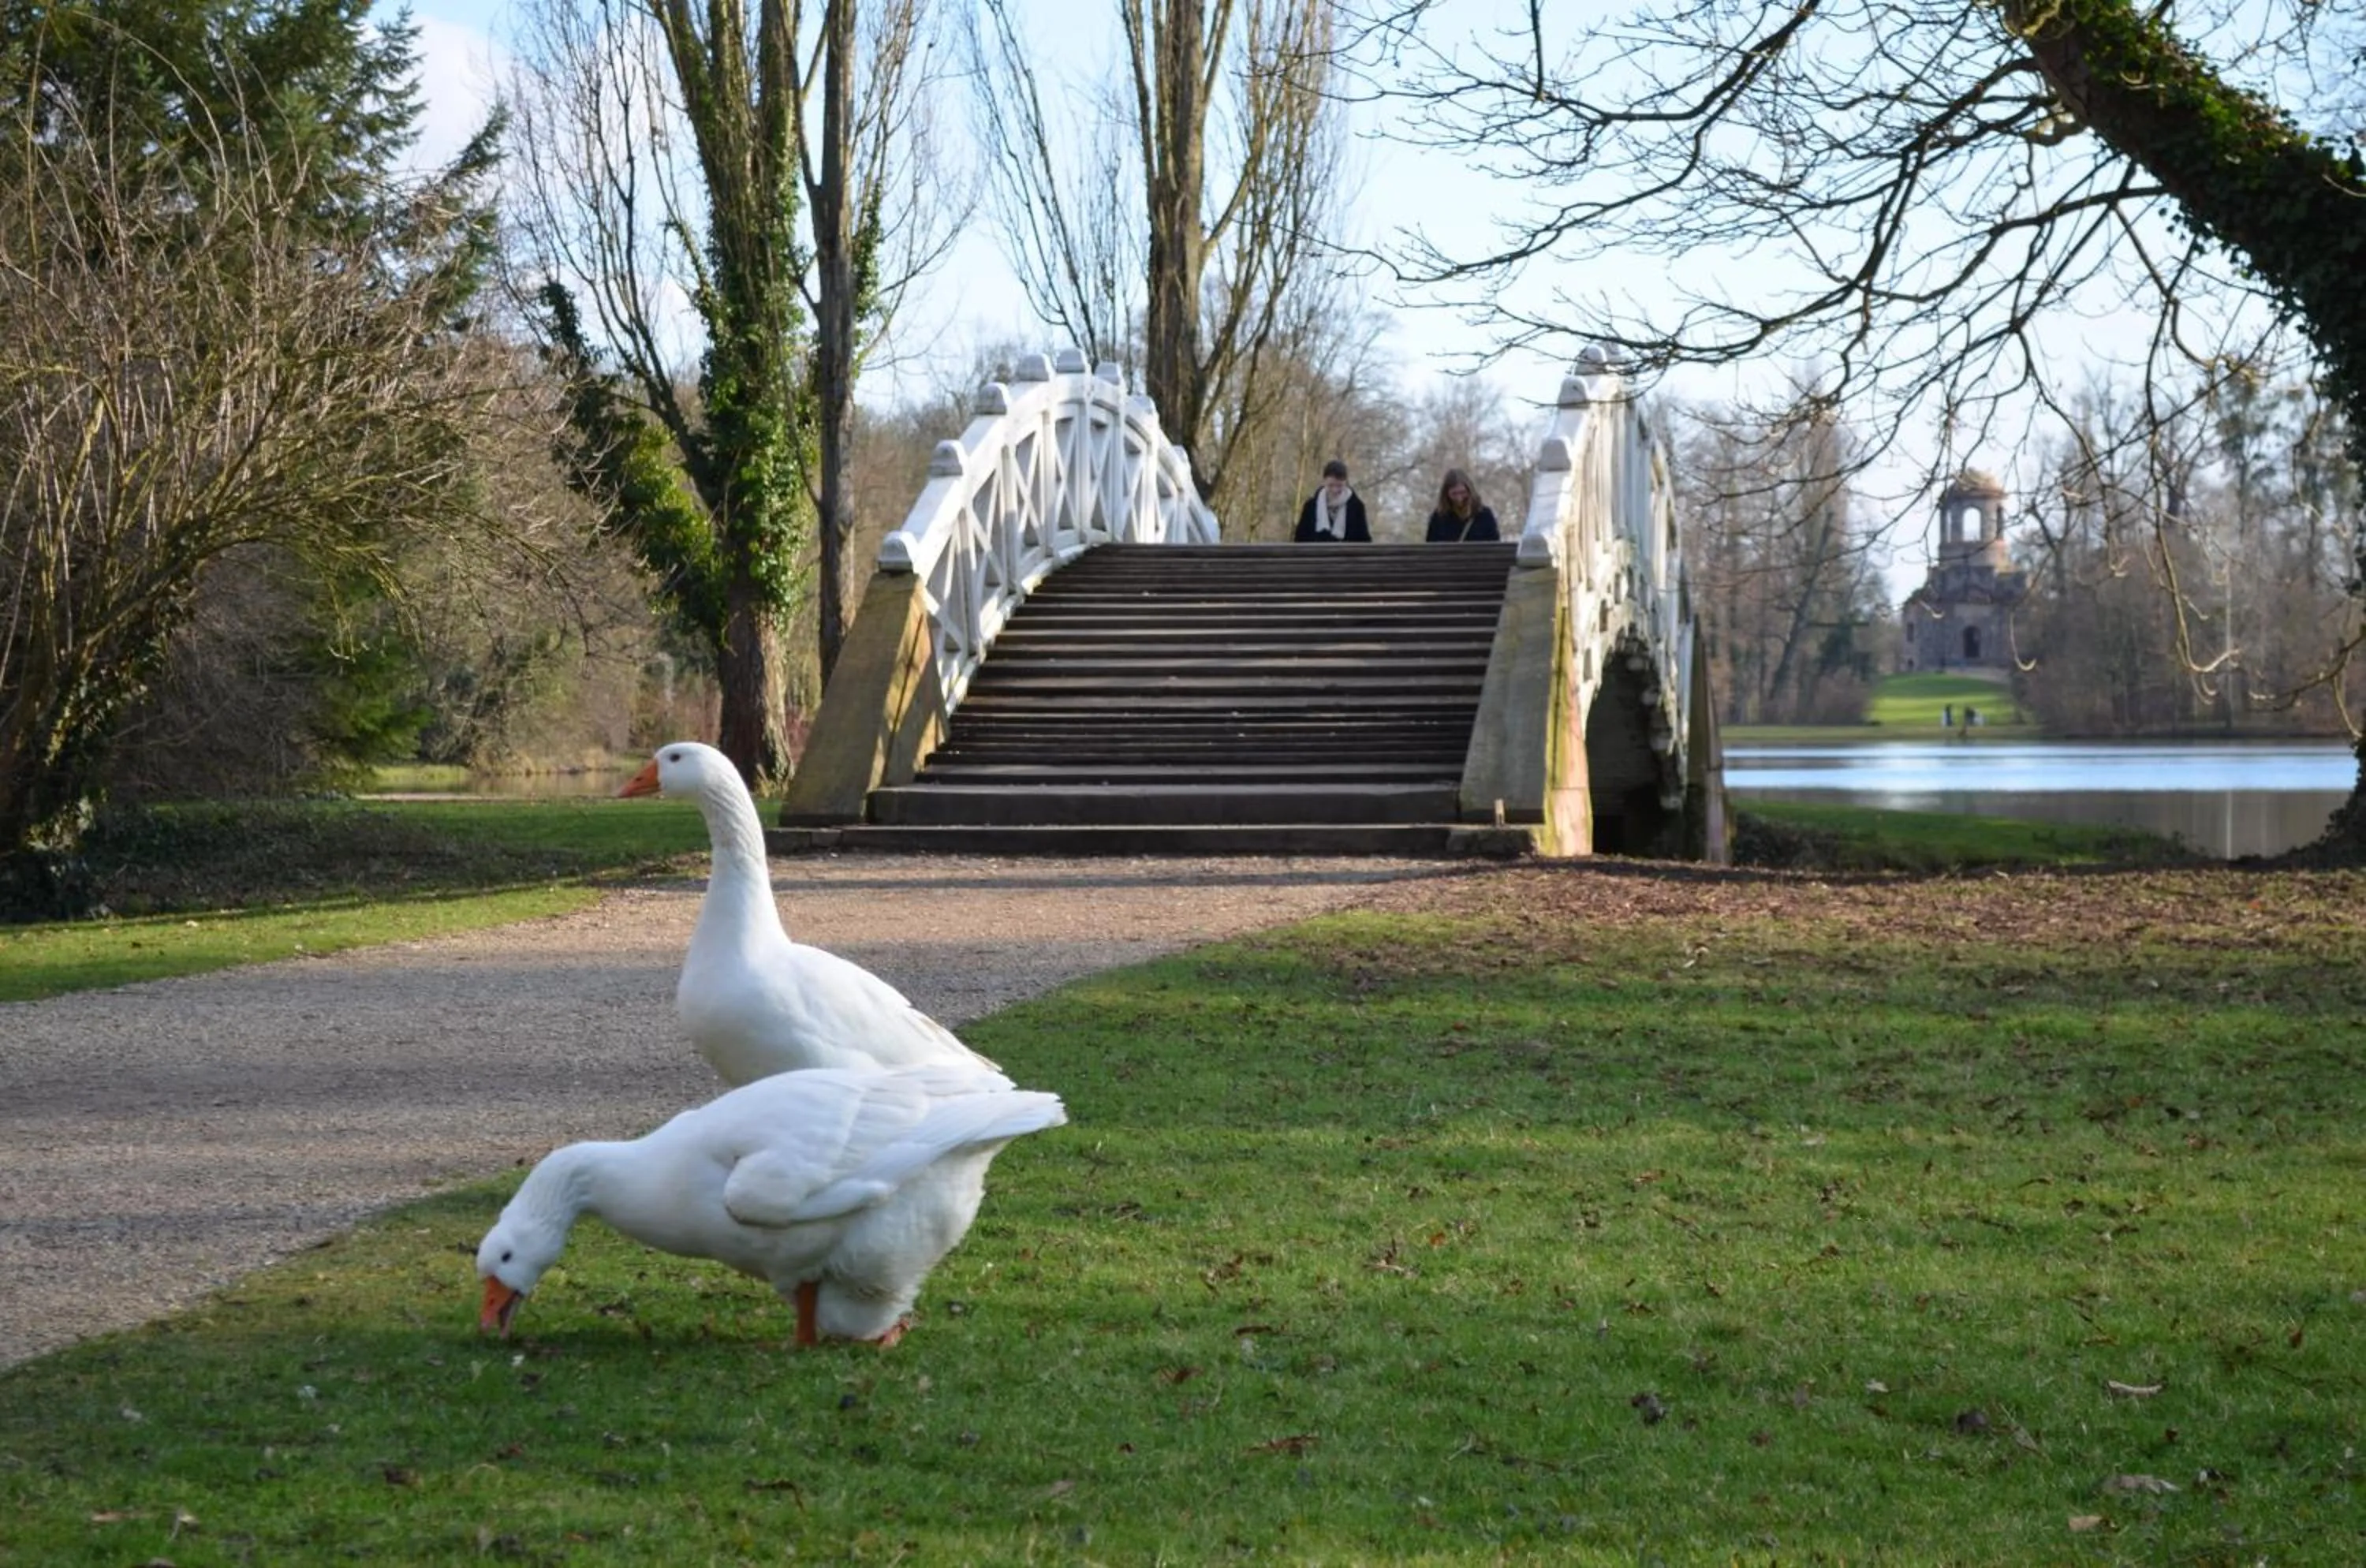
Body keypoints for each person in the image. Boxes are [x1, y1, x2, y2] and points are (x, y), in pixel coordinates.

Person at [1295, 459, 1371, 542]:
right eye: (1330, 485)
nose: (1335, 490)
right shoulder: (1310, 507)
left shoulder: (1357, 508)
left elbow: (1364, 540)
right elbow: (1300, 539)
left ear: (1345, 483)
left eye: (1339, 486)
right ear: (1324, 482)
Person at [1424, 468, 1501, 542]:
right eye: (1454, 494)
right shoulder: (1438, 518)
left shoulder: (1484, 515)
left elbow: (1495, 546)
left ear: (1469, 491)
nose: (1459, 498)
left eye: (1462, 493)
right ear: (1446, 494)